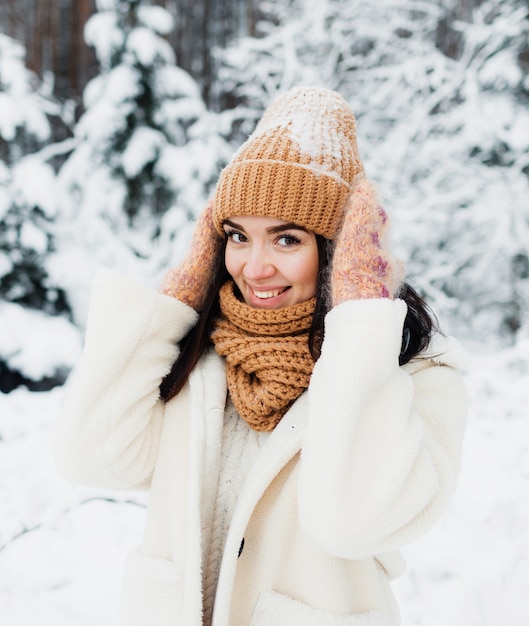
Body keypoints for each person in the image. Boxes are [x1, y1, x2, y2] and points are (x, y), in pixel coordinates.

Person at [54, 86, 467, 626]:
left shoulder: (415, 373)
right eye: (238, 237)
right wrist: (178, 296)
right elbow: (92, 458)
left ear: (337, 246)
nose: (254, 267)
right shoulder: (196, 362)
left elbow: (352, 520)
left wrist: (361, 318)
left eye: (287, 239)